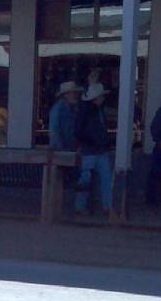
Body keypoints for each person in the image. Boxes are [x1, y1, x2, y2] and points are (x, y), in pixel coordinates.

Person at [73, 81, 113, 216]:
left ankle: (82, 206)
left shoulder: (89, 111)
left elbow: (79, 131)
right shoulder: (93, 112)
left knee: (87, 178)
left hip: (91, 149)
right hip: (92, 149)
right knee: (98, 178)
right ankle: (106, 206)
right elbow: (81, 131)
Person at [48, 80, 79, 153]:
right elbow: (54, 131)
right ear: (66, 94)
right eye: (74, 93)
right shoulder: (58, 109)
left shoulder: (73, 109)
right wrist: (62, 150)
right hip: (60, 152)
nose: (76, 95)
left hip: (69, 150)